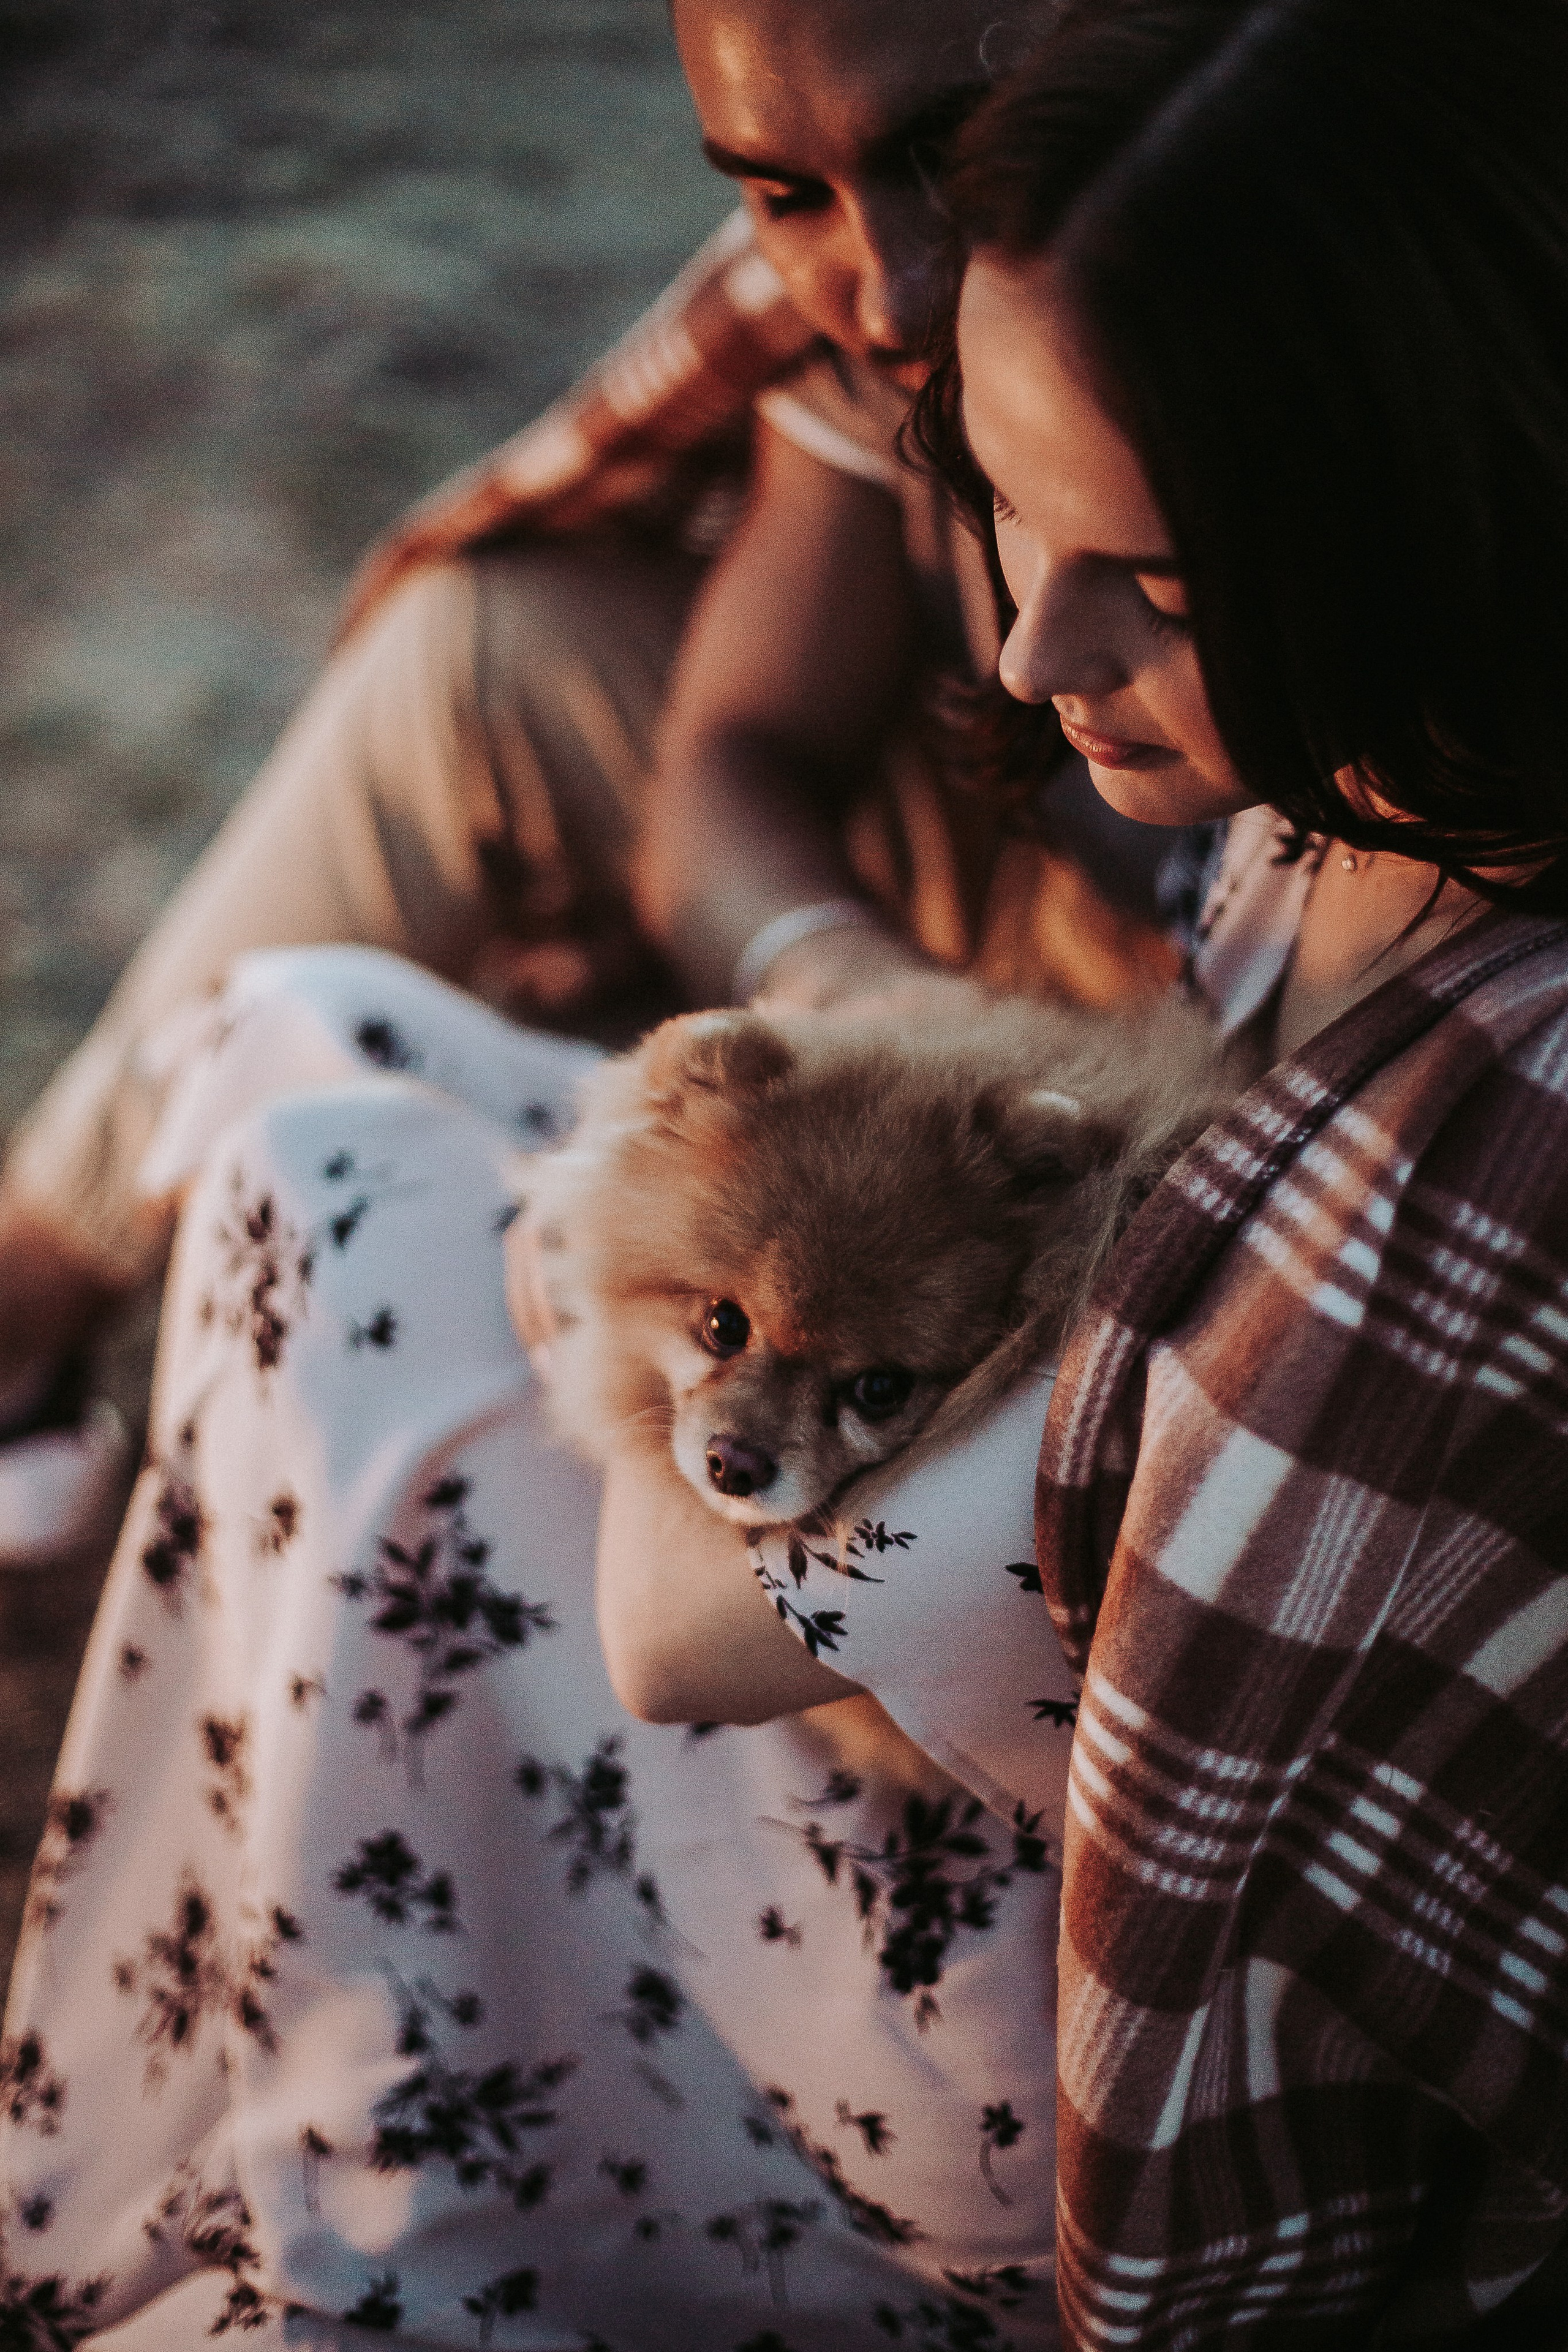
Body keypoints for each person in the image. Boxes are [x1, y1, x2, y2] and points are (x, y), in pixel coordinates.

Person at [591, 0, 1568, 2337]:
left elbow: (679, 1628)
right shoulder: (1368, 778)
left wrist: (612, 1253)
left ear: (1443, 502)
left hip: (1008, 2036)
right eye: (1010, 510)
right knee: (308, 1091)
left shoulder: (1437, 1196)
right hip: (939, 1684)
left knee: (330, 1249)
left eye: (1161, 577)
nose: (1033, 651)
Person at [0, 0, 1189, 1562]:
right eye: (783, 194)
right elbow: (728, 759)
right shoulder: (871, 345)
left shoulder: (1239, 274)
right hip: (1012, 874)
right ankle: (33, 1280)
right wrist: (848, 983)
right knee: (483, 640)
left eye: (946, 151)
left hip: (1192, 1010)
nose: (889, 286)